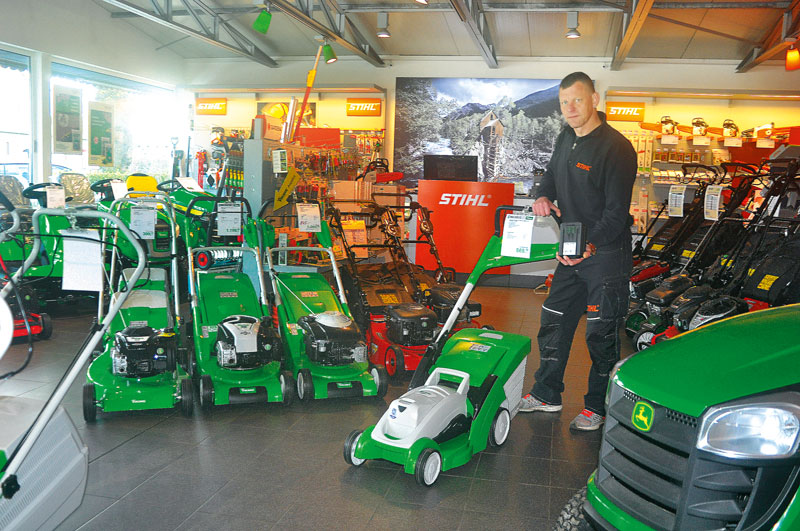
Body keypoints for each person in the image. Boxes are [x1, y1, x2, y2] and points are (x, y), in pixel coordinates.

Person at [520, 72, 637, 431]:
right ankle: (546, 394)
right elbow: (552, 175)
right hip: (571, 248)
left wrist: (590, 244)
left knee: (600, 335)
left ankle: (597, 407)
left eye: (577, 100)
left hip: (605, 253)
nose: (570, 108)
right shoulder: (566, 136)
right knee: (553, 321)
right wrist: (542, 194)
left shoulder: (617, 148)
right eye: (563, 102)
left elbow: (617, 212)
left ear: (594, 100)